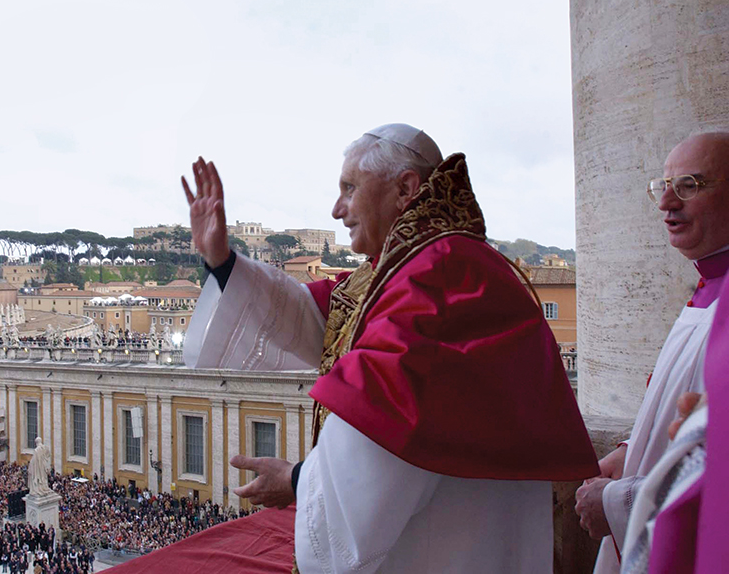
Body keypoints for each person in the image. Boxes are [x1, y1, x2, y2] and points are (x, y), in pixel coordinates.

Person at [182, 123, 598, 573]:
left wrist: (299, 480)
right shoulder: (423, 266)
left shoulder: (437, 283)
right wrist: (222, 260)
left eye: (349, 188)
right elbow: (314, 318)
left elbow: (375, 451)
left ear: (406, 189)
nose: (337, 209)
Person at [575, 132, 729, 573]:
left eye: (690, 185)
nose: (666, 203)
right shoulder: (706, 288)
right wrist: (631, 449)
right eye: (662, 186)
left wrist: (621, 500)